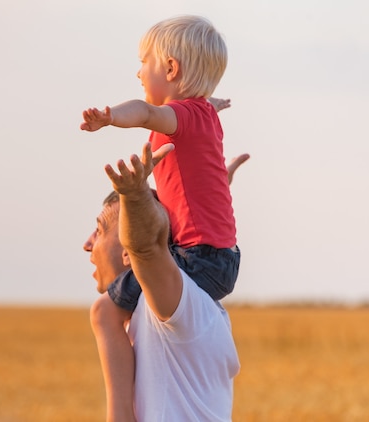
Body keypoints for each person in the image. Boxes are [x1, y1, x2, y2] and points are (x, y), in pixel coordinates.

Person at [80, 16, 241, 420]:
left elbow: (147, 113)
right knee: (109, 310)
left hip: (198, 258)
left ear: (171, 69)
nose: (138, 71)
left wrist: (110, 116)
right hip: (218, 255)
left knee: (103, 312)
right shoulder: (204, 115)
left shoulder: (180, 116)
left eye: (144, 62)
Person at [84, 143, 243, 421]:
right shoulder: (174, 308)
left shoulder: (175, 307)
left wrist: (135, 197)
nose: (88, 244)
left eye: (99, 229)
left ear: (128, 248)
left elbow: (149, 248)